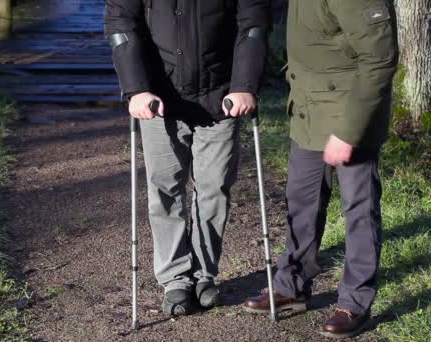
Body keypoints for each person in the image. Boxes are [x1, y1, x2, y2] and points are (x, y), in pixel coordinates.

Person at [242, 0, 398, 338]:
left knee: (359, 209)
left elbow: (380, 57)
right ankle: (291, 285)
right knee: (301, 202)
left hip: (350, 118)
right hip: (309, 112)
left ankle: (355, 302)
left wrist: (348, 132)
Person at [105, 0, 270, 316]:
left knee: (214, 187)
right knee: (166, 189)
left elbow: (254, 24)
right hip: (159, 100)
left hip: (221, 98)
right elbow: (121, 26)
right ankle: (175, 280)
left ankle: (204, 275)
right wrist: (137, 89)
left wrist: (245, 85)